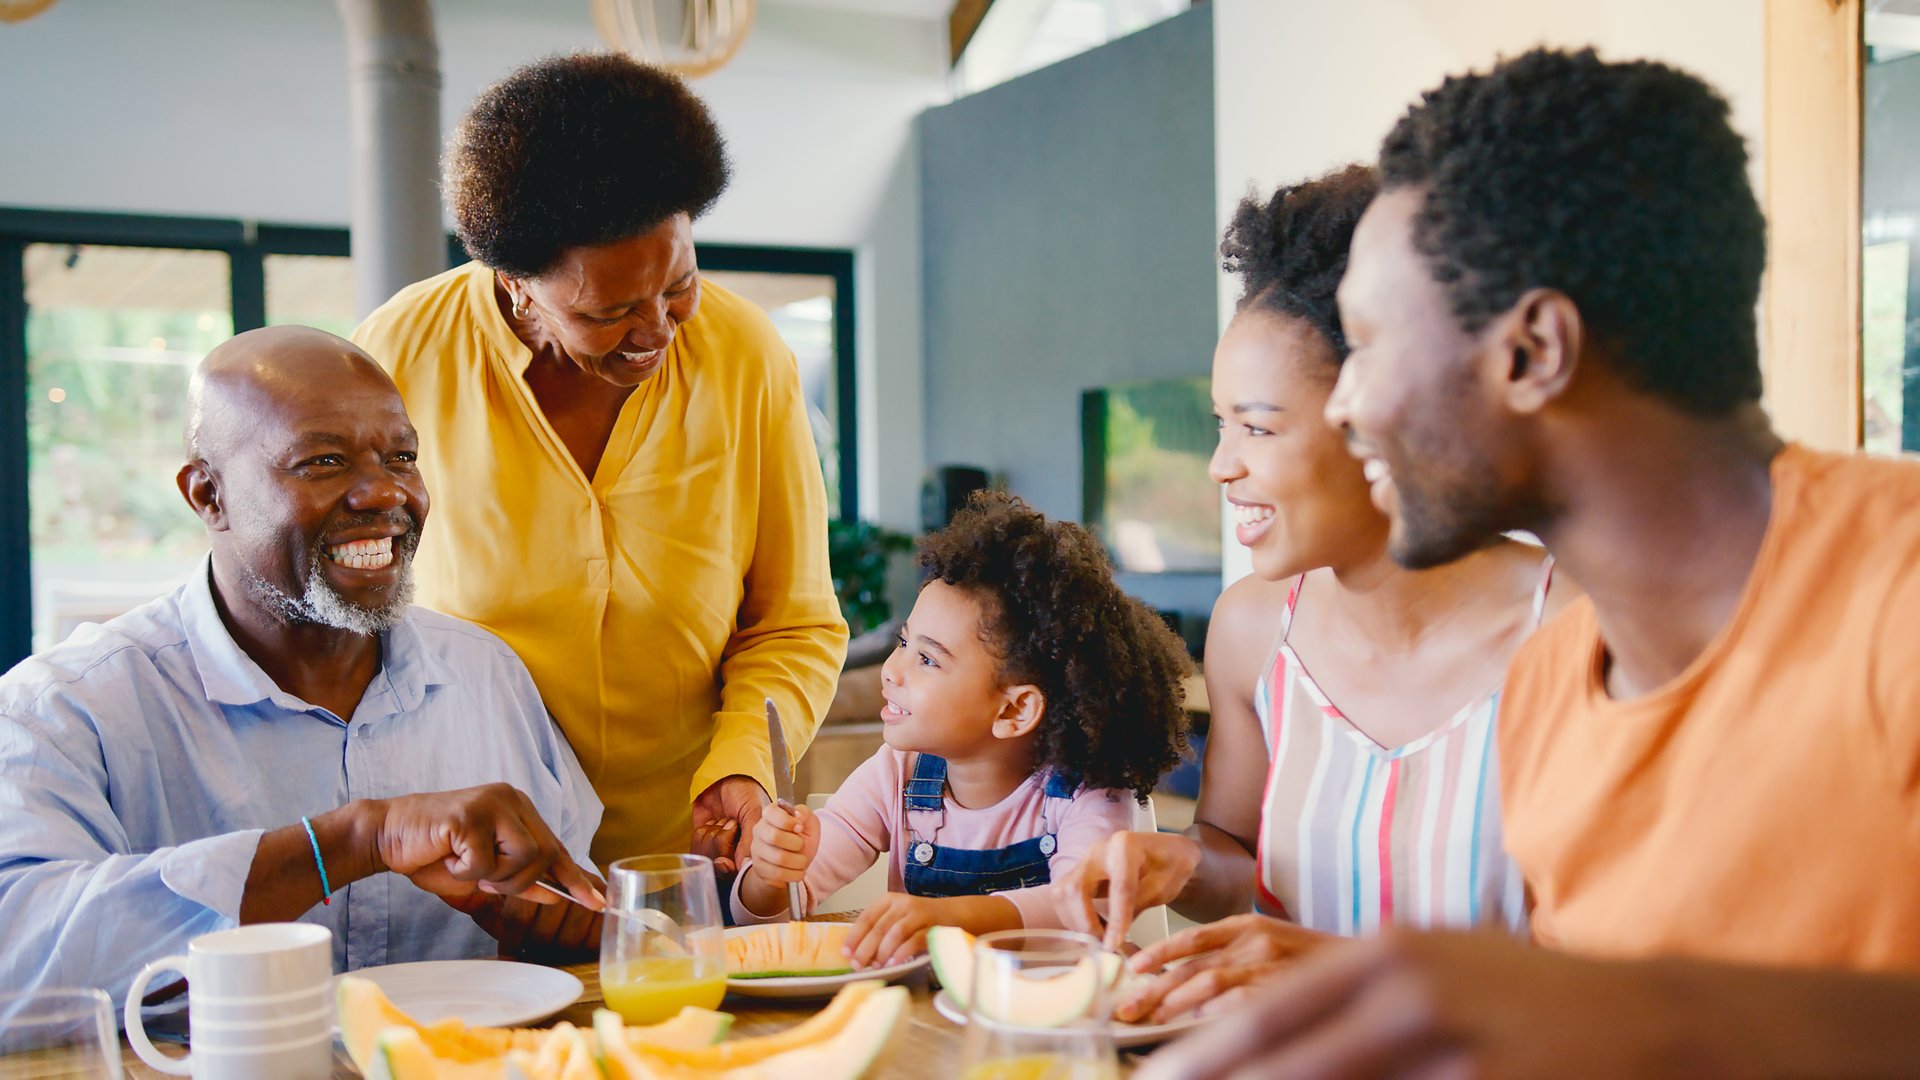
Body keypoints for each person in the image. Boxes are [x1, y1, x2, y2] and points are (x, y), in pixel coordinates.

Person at [1143, 46, 1920, 1078]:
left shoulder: (1897, 591)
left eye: (1369, 345)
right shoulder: (1554, 687)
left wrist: (1613, 1012)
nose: (1351, 406)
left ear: (1532, 352)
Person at [1052, 167, 1569, 1025]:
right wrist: (1173, 864)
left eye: (1257, 427)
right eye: (1220, 425)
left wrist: (1333, 969)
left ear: (1388, 413)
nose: (1222, 465)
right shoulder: (1253, 632)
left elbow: (1625, 974)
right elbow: (1236, 855)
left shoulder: (1573, 629)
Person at [0, 327, 605, 1008]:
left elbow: (578, 899)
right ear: (208, 496)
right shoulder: (65, 709)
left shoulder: (486, 676)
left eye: (401, 456)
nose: (383, 494)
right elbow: (16, 950)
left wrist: (562, 926)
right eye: (323, 462)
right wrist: (352, 841)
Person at [353, 53, 848, 870]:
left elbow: (793, 621)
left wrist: (745, 767)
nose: (657, 330)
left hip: (689, 860)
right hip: (480, 865)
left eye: (678, 285)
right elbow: (350, 622)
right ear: (516, 284)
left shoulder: (746, 354)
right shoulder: (396, 357)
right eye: (610, 311)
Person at [736, 492, 1192, 969]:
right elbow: (774, 912)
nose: (891, 670)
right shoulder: (897, 774)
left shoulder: (1085, 793)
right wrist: (771, 874)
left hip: (1045, 1025)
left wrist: (945, 918)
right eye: (905, 642)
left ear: (1014, 710)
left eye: (928, 659)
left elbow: (1077, 910)